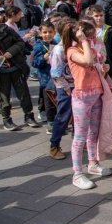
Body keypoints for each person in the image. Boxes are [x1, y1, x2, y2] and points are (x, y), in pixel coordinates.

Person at [63, 19, 112, 189]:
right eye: (88, 36)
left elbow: (95, 63)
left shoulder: (88, 47)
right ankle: (77, 173)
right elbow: (87, 61)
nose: (91, 39)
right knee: (80, 137)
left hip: (96, 94)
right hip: (82, 98)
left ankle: (93, 163)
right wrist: (83, 40)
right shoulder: (71, 51)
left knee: (94, 133)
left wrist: (104, 67)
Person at [49, 17, 76, 160]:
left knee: (78, 116)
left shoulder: (74, 48)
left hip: (77, 86)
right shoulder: (59, 50)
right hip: (64, 88)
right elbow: (56, 74)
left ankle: (77, 141)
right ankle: (54, 145)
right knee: (63, 116)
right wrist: (67, 89)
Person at [32, 21, 57, 132]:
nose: (48, 34)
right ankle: (50, 123)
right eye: (45, 32)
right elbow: (34, 63)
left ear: (54, 32)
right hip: (45, 78)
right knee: (48, 101)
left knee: (55, 99)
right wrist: (43, 57)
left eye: (50, 32)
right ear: (41, 33)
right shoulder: (38, 46)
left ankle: (55, 119)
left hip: (56, 77)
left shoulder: (56, 43)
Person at [87, 5, 112, 80]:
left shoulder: (110, 30)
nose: (99, 18)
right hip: (91, 66)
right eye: (96, 16)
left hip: (106, 66)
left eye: (101, 15)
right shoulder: (86, 30)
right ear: (90, 16)